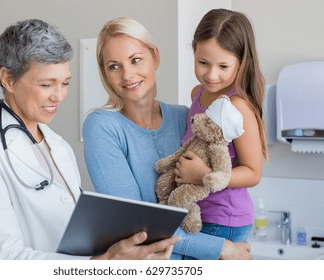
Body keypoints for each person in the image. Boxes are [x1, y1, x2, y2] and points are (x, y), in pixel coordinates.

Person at [0, 19, 181, 260]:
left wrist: (128, 257)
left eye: (65, 83)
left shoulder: (58, 146)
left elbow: (76, 244)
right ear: (8, 79)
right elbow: (0, 259)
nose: (58, 96)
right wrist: (101, 263)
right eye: (47, 84)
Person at [83, 16, 251, 260]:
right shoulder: (102, 126)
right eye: (114, 66)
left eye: (136, 60)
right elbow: (134, 221)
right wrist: (222, 248)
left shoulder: (184, 115)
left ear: (155, 57)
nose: (127, 75)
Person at [175, 9, 269, 242]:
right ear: (193, 50)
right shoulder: (197, 94)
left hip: (224, 220)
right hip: (196, 213)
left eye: (223, 66)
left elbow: (253, 173)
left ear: (241, 62)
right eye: (203, 63)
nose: (211, 75)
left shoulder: (238, 106)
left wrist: (204, 176)